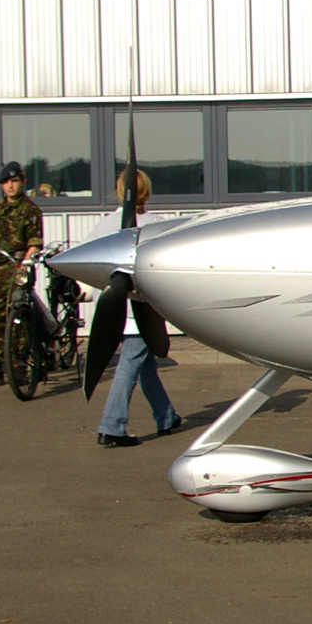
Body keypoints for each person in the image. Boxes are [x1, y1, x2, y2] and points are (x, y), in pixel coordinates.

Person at [93, 170, 183, 447]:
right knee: (130, 365)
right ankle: (112, 426)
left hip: (115, 309)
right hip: (142, 310)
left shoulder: (106, 225)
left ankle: (166, 417)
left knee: (145, 366)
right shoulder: (156, 225)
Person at [0, 162, 42, 386]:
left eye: (14, 181)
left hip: (18, 268)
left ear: (22, 182)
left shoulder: (30, 209)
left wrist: (24, 264)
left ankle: (18, 368)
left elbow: (35, 242)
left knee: (18, 318)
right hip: (0, 268)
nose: (10, 186)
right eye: (6, 182)